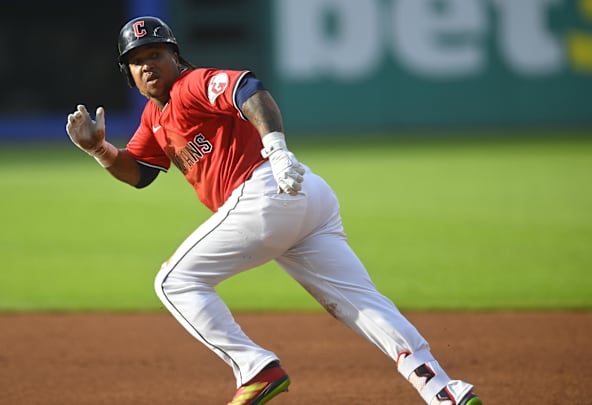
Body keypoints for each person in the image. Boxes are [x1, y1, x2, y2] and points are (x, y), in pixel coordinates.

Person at [65, 15, 483, 405]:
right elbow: (139, 173)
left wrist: (277, 149)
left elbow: (249, 89)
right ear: (129, 74)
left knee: (173, 282)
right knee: (359, 303)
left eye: (155, 54)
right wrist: (99, 149)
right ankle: (444, 390)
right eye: (137, 61)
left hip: (266, 190)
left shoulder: (191, 85)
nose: (148, 65)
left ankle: (255, 369)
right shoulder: (155, 117)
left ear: (175, 56)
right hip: (305, 201)